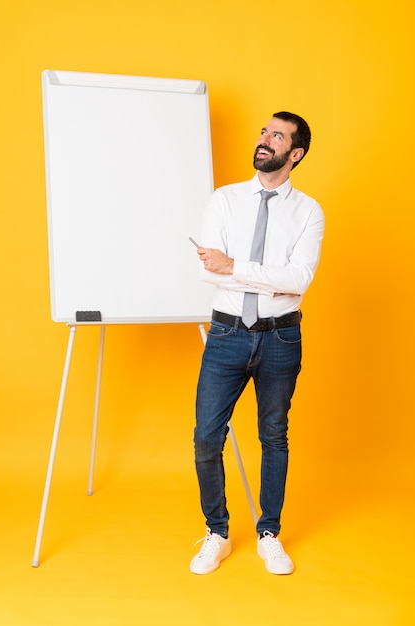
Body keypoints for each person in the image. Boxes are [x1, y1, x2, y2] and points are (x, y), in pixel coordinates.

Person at [190, 111, 325, 576]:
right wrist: (241, 271)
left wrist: (237, 267)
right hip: (226, 333)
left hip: (281, 337)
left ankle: (269, 533)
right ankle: (218, 532)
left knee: (274, 436)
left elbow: (300, 278)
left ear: (296, 152)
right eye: (264, 132)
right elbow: (207, 268)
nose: (265, 140)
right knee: (207, 436)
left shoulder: (309, 211)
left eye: (278, 136)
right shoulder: (225, 200)